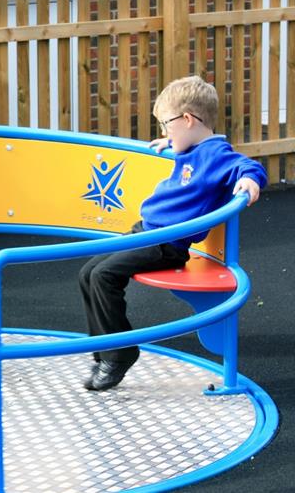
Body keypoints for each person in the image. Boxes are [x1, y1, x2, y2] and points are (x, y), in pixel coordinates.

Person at [79, 75, 267, 392]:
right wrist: (173, 142)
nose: (164, 133)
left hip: (167, 243)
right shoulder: (192, 148)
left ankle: (119, 355)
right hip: (146, 231)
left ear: (188, 119)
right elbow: (189, 157)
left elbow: (246, 166)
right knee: (87, 272)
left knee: (103, 276)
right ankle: (103, 350)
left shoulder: (215, 153)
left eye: (167, 125)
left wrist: (250, 180)